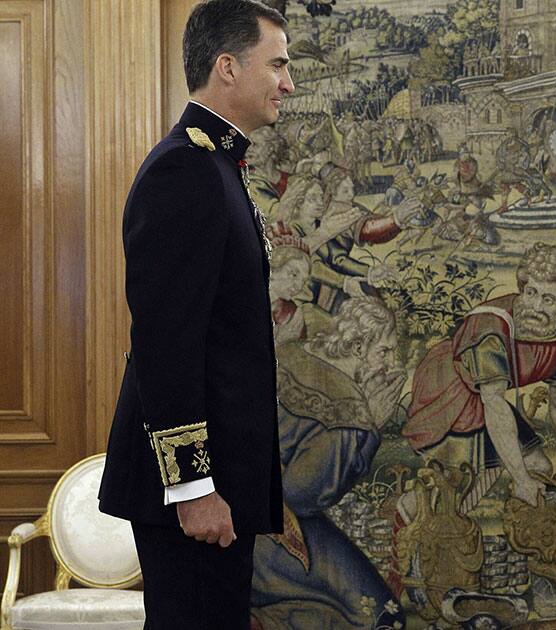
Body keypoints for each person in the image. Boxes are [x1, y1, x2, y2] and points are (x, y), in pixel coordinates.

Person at [97, 1, 294, 627]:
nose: (289, 83)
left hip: (219, 484)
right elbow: (166, 343)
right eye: (279, 64)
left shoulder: (216, 164)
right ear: (228, 67)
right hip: (193, 494)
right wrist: (192, 487)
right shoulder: (186, 169)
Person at [251, 297, 406, 629]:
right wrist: (371, 429)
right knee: (383, 615)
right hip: (272, 536)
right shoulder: (349, 413)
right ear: (359, 345)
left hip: (237, 516)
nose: (390, 365)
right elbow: (302, 494)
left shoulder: (292, 352)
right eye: (384, 352)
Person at [403, 243, 556, 507]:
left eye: (547, 299)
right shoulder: (491, 330)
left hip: (484, 394)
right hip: (451, 391)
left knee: (538, 466)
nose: (535, 306)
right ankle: (409, 516)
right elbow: (494, 403)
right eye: (531, 292)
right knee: (463, 479)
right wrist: (521, 480)